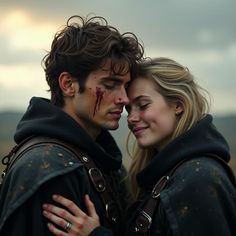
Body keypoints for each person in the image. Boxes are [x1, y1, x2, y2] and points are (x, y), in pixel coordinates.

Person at [41, 57, 236, 236]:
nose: (132, 118)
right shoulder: (166, 175)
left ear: (178, 105)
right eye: (129, 109)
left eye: (142, 105)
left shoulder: (199, 178)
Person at [0, 15, 144, 236]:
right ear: (68, 85)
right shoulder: (50, 169)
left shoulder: (100, 156)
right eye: (110, 84)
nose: (124, 99)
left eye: (125, 86)